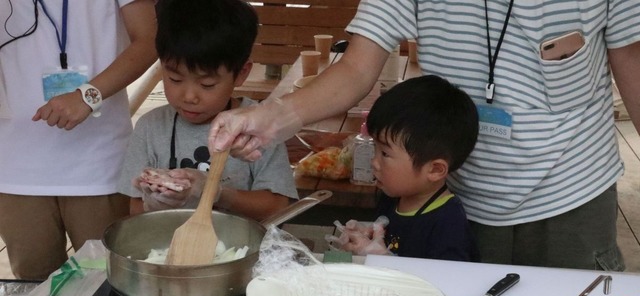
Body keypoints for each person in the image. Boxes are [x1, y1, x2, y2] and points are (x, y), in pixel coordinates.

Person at [208, 1, 640, 271]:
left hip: (574, 195)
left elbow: (633, 69)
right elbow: (357, 67)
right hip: (461, 195)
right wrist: (272, 117)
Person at [0, 0, 157, 280]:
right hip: (15, 165)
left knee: (107, 283)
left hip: (99, 161)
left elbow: (149, 41)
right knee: (34, 291)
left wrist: (88, 95)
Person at [117, 0, 298, 222]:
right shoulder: (151, 127)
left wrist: (217, 194)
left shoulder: (258, 125)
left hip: (241, 251)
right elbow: (134, 206)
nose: (189, 96)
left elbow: (278, 206)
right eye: (174, 79)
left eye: (207, 84)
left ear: (241, 73)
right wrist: (153, 204)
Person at [328, 75, 480, 261]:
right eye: (375, 149)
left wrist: (384, 257)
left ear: (434, 170)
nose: (374, 162)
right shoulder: (393, 197)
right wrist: (367, 235)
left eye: (385, 153)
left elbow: (446, 282)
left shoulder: (447, 223)